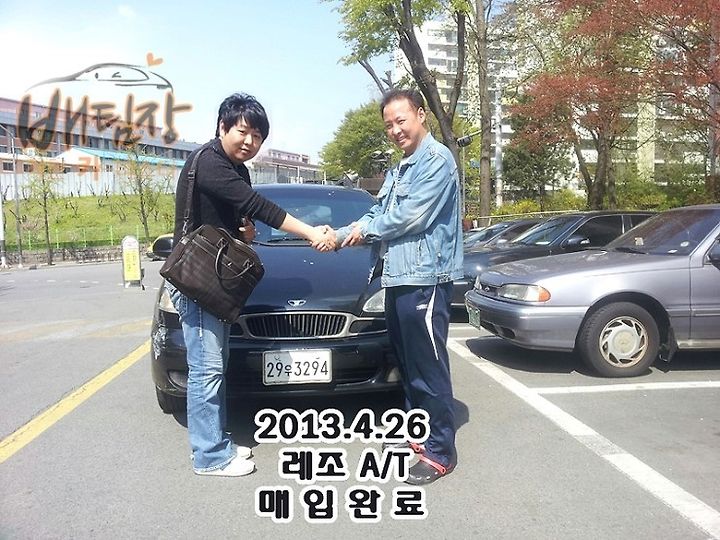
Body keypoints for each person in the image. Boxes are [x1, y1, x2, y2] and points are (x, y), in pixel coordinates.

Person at [167, 92, 334, 477]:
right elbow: (259, 205)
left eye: (257, 136)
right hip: (197, 282)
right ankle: (209, 456)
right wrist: (311, 232)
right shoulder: (209, 162)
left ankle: (217, 441)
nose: (249, 141)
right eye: (243, 131)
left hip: (216, 280)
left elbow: (240, 218)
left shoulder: (235, 169)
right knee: (206, 368)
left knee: (215, 365)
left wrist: (244, 232)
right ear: (222, 127)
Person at [335, 88, 463, 485]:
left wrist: (363, 231)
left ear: (421, 115)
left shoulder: (437, 161)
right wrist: (340, 233)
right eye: (389, 125)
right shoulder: (401, 168)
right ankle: (419, 435)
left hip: (425, 278)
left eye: (401, 120)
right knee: (408, 364)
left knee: (428, 365)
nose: (395, 130)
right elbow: (379, 210)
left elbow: (410, 216)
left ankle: (440, 452)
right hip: (397, 276)